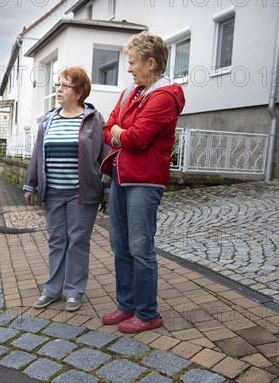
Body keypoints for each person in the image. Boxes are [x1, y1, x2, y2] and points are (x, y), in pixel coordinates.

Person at [100, 32, 185, 334]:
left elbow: (138, 138)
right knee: (119, 244)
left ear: (151, 63)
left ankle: (148, 313)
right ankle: (127, 306)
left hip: (145, 181)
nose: (128, 68)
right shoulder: (128, 94)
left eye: (133, 63)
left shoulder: (165, 97)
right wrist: (121, 132)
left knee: (140, 245)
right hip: (121, 177)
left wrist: (121, 134)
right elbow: (106, 128)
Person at [23, 66, 110, 312]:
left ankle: (74, 292)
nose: (58, 90)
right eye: (57, 85)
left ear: (80, 91)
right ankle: (52, 290)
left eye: (64, 86)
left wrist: (107, 188)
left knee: (78, 242)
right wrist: (31, 184)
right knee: (57, 241)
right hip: (53, 192)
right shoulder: (48, 120)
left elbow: (104, 157)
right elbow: (37, 154)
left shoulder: (93, 120)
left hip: (82, 193)